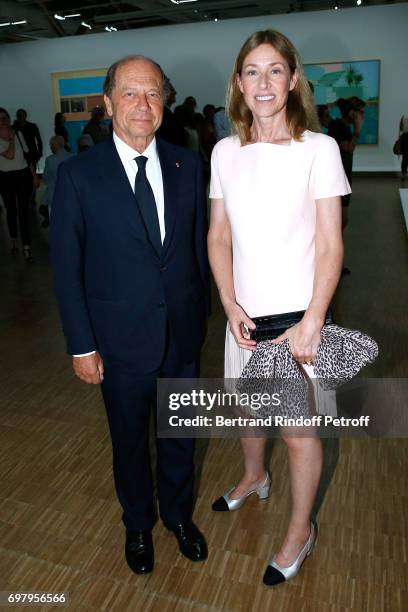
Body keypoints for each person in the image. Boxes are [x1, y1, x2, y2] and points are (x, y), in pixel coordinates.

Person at [50, 55, 210, 576]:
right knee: (130, 442)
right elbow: (66, 269)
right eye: (130, 94)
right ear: (107, 102)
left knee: (181, 434)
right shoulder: (78, 176)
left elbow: (199, 252)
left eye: (154, 94)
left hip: (182, 336)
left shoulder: (189, 166)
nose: (143, 105)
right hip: (117, 343)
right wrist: (81, 345)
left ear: (165, 101)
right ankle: (138, 524)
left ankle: (178, 517)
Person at [208, 30, 350, 587]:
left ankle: (300, 530)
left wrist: (315, 318)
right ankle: (253, 478)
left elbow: (332, 245)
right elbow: (219, 237)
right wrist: (227, 301)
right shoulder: (224, 151)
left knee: (297, 434)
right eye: (251, 71)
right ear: (238, 84)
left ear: (293, 79)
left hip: (298, 321)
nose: (262, 82)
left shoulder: (318, 149)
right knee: (246, 414)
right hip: (243, 316)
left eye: (274, 70)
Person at [0, 107, 34, 262]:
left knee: (24, 210)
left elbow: (27, 157)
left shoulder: (18, 133)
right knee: (11, 210)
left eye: (5, 117)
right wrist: (12, 139)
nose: (4, 121)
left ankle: (27, 246)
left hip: (22, 175)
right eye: (0, 119)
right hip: (6, 177)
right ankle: (14, 238)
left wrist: (34, 176)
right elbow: (10, 154)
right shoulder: (11, 136)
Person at [328, 97, 365, 229]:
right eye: (360, 112)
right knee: (341, 220)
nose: (363, 116)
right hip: (337, 181)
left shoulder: (345, 127)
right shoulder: (338, 127)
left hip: (343, 179)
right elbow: (349, 147)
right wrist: (358, 130)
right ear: (351, 113)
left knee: (342, 220)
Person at [42, 135, 71, 217]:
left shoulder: (50, 160)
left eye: (51, 146)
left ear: (54, 146)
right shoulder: (72, 156)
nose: (50, 148)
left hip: (54, 196)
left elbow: (46, 178)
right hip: (70, 195)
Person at [157, 77, 187, 147]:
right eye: (171, 89)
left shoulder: (168, 114)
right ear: (164, 93)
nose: (175, 92)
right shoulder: (164, 115)